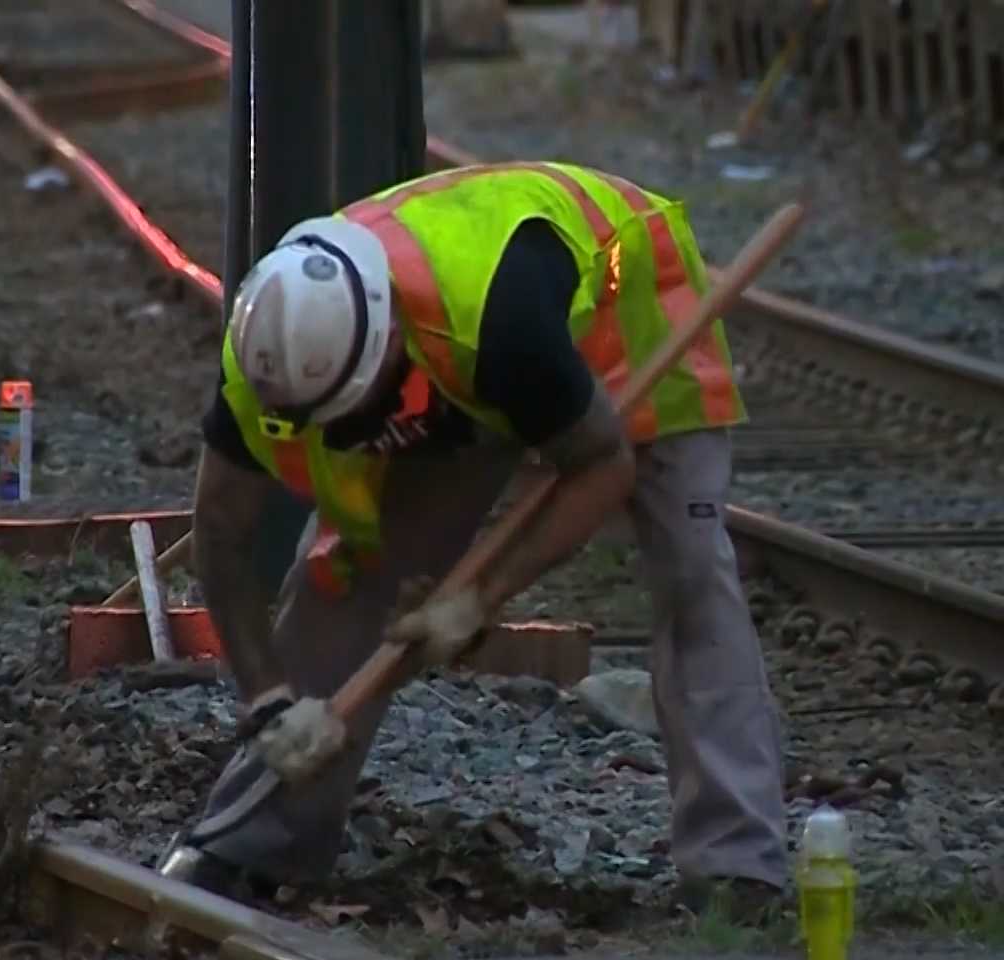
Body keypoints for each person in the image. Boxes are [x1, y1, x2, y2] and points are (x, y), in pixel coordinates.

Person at [159, 160, 788, 919]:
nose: (359, 438)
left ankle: (738, 866)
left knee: (693, 578)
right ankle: (251, 842)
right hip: (459, 371)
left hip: (627, 302)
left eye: (364, 412)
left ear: (388, 343)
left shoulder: (502, 325)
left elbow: (600, 467)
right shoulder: (264, 362)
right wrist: (267, 703)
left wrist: (477, 599)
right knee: (349, 573)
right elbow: (221, 532)